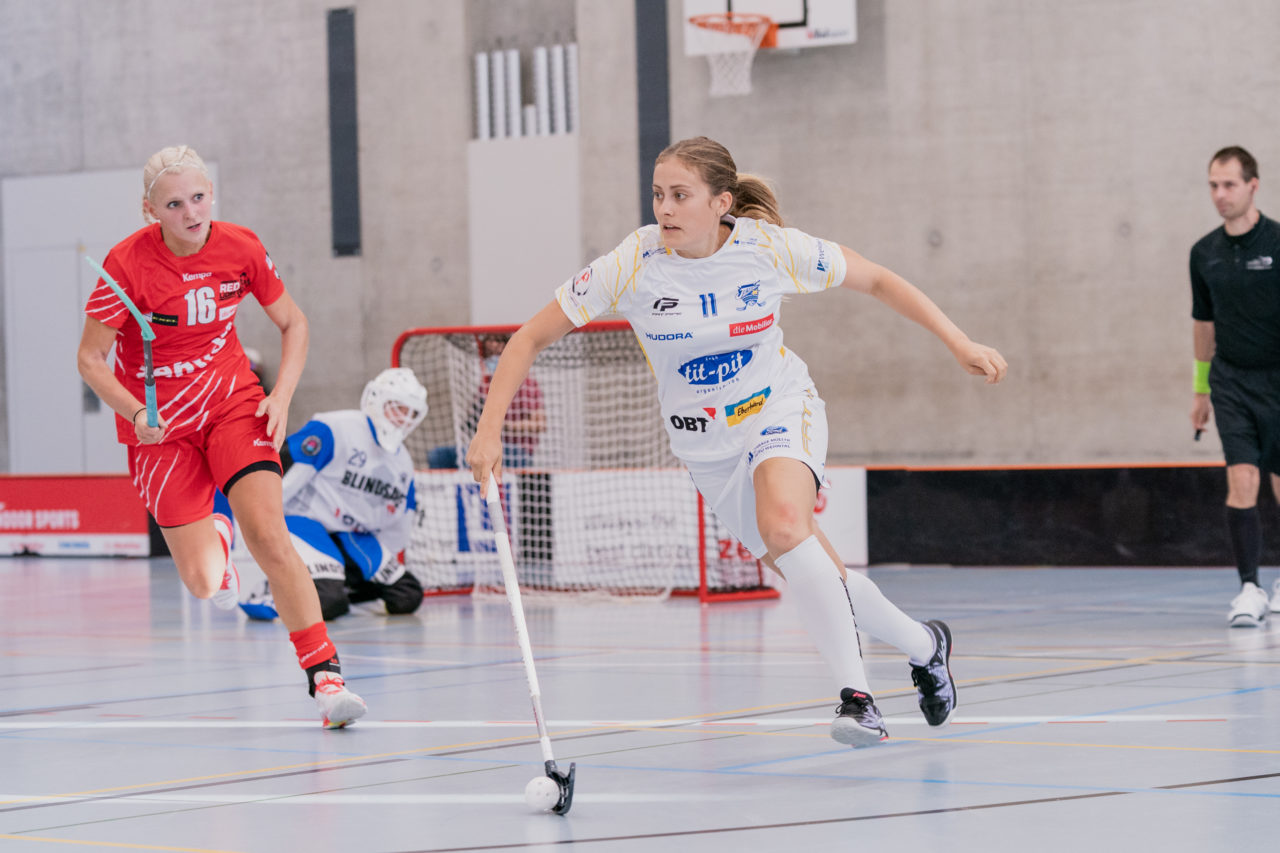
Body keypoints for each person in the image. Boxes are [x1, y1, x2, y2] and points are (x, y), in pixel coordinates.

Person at [466, 136, 1007, 746]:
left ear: (721, 202)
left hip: (778, 407)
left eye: (680, 196)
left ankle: (858, 700)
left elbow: (878, 280)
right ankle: (924, 645)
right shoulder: (633, 264)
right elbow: (528, 339)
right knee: (814, 571)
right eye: (657, 195)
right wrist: (489, 435)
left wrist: (959, 341)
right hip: (706, 450)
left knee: (784, 524)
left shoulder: (767, 249)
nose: (664, 209)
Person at [77, 145, 366, 728]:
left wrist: (279, 395)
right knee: (205, 583)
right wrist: (136, 415)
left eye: (200, 196)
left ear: (213, 193)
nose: (192, 212)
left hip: (234, 405)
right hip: (159, 431)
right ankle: (216, 531)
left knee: (269, 533)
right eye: (175, 203)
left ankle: (326, 677)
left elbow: (294, 323)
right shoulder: (126, 264)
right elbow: (89, 359)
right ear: (149, 210)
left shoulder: (241, 246)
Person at [239, 367, 428, 622]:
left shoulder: (403, 462)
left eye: (411, 413)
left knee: (408, 595)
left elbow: (398, 522)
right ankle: (268, 595)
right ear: (376, 399)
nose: (403, 419)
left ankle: (331, 586)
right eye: (397, 408)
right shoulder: (334, 427)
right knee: (328, 603)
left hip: (351, 536)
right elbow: (282, 469)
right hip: (305, 523)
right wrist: (264, 526)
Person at [1189, 145, 1280, 627]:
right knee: (1242, 477)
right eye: (1213, 185)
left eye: (1229, 184)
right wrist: (1201, 391)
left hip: (1278, 380)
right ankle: (1249, 587)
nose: (1220, 195)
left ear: (1252, 186)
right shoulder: (1203, 253)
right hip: (1231, 381)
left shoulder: (1279, 243)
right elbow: (1203, 324)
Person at [428, 333, 546, 470]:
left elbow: (540, 424)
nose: (493, 359)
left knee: (474, 460)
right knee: (438, 456)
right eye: (489, 355)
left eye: (497, 354)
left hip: (517, 450)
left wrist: (505, 426)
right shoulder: (486, 384)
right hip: (488, 444)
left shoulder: (526, 383)